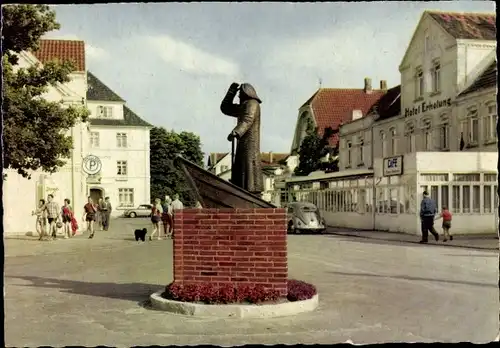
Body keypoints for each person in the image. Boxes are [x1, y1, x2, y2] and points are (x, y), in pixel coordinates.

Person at [220, 82, 264, 195]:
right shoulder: (244, 105)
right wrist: (232, 91)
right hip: (243, 142)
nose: (239, 96)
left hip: (250, 142)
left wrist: (236, 131)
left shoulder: (252, 104)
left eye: (240, 93)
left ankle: (251, 191)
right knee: (242, 166)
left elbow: (248, 120)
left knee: (249, 165)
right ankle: (242, 190)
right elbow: (225, 108)